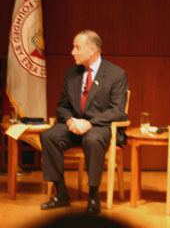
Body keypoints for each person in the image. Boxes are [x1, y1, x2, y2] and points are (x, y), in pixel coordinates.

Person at [40, 30, 128, 215]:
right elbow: (62, 106)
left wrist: (90, 123)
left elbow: (117, 110)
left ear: (92, 50)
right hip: (74, 125)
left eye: (77, 48)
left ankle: (93, 195)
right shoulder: (71, 73)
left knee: (93, 140)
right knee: (49, 136)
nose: (72, 52)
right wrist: (70, 120)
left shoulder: (116, 74)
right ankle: (61, 193)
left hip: (100, 126)